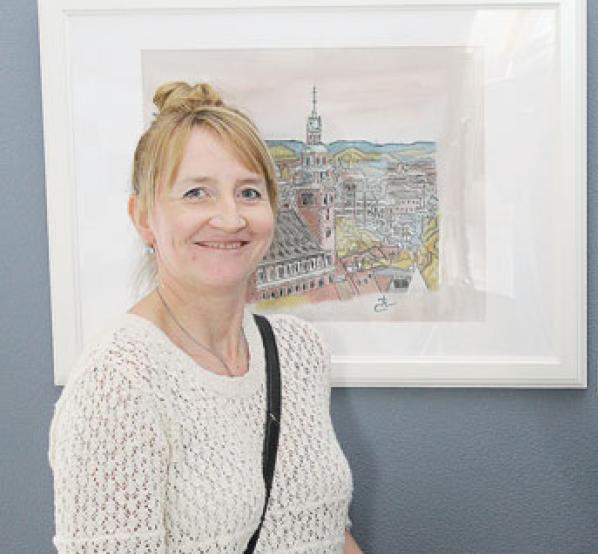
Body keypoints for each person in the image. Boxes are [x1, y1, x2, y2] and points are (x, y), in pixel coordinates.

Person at [49, 82, 363, 553]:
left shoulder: (299, 351)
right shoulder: (117, 383)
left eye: (249, 192)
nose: (230, 218)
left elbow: (326, 533)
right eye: (197, 193)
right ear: (143, 217)